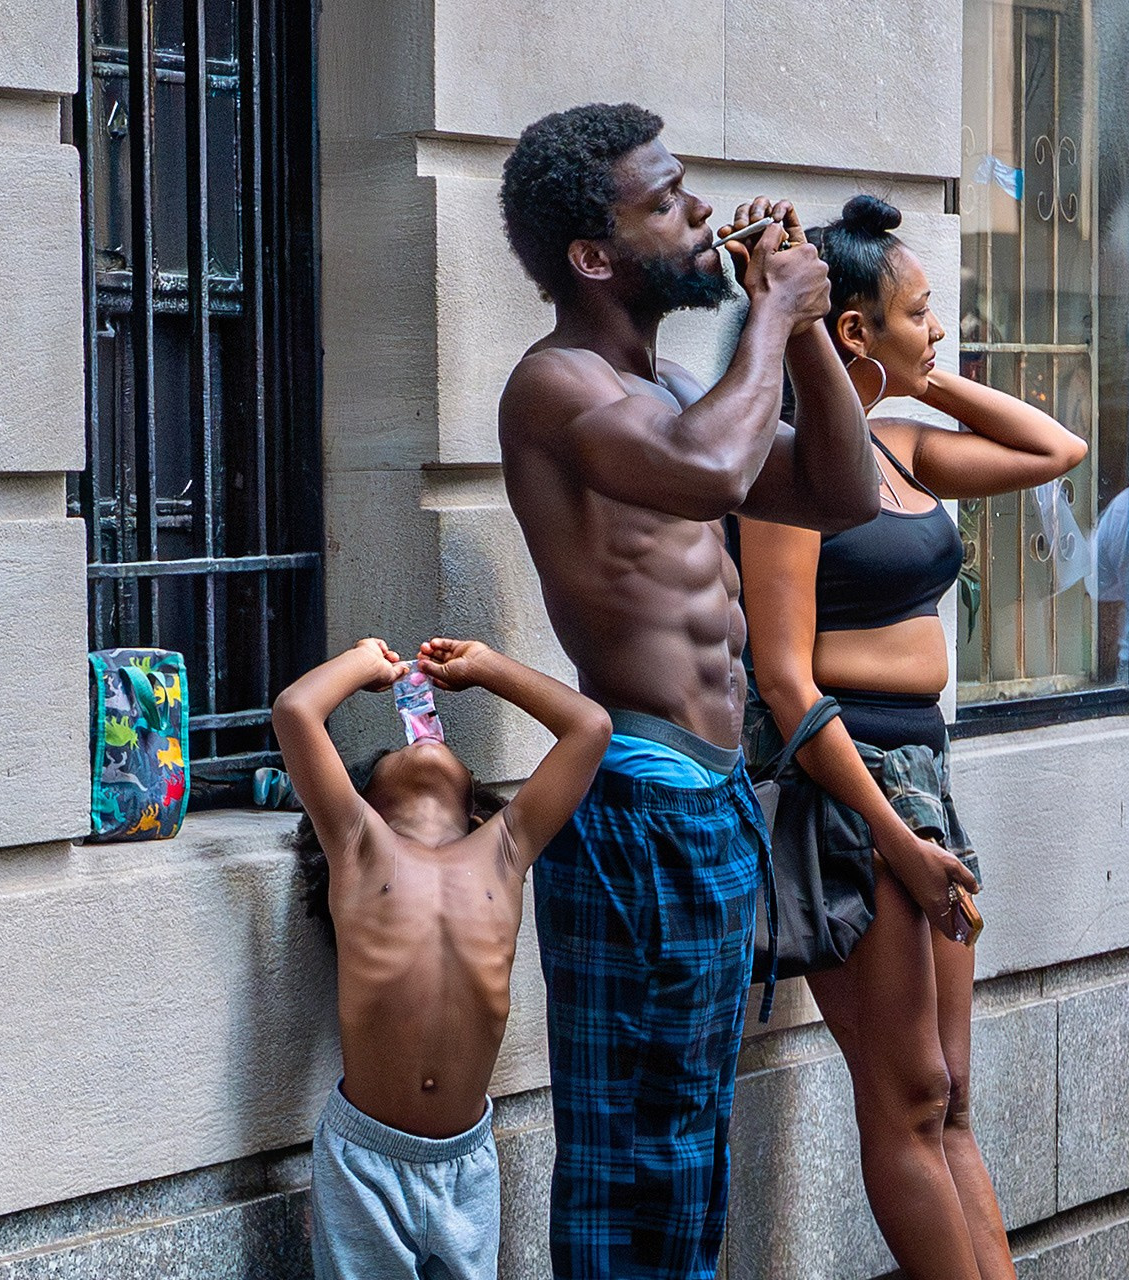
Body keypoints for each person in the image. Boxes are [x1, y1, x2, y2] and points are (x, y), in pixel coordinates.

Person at [495, 103, 882, 1280]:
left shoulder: (667, 384)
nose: (701, 213)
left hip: (709, 806)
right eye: (666, 201)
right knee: (631, 1166)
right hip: (637, 809)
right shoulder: (555, 388)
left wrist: (803, 322)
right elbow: (710, 472)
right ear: (594, 255)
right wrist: (770, 312)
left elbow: (840, 489)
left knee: (690, 1152)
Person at [736, 194, 1086, 1280]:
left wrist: (920, 375)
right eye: (923, 313)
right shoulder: (789, 469)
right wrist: (894, 836)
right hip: (851, 791)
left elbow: (1055, 446)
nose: (940, 329)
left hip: (922, 770)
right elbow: (785, 682)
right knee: (908, 1093)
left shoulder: (897, 448)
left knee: (953, 1092)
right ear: (852, 330)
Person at [275, 637, 612, 1280]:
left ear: (474, 801)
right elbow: (296, 710)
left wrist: (486, 668)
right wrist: (364, 664)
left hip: (467, 1163)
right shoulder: (358, 843)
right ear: (368, 795)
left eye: (437, 745)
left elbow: (589, 727)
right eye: (400, 750)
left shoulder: (505, 849)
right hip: (365, 1162)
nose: (422, 742)